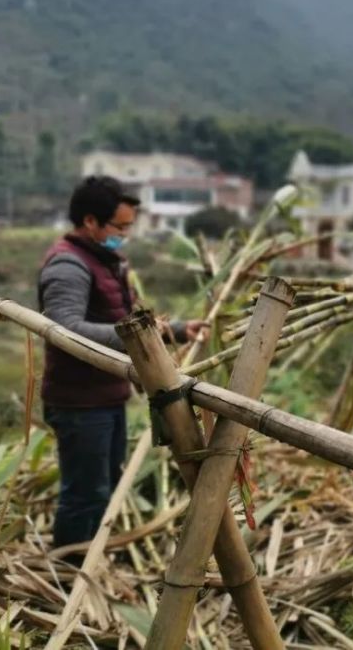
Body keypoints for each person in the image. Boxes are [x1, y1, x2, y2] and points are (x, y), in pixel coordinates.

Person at [39, 176, 206, 549]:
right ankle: (71, 569)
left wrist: (175, 330)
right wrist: (140, 334)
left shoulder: (107, 260)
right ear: (90, 222)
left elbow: (123, 317)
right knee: (85, 493)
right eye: (120, 226)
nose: (126, 234)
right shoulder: (68, 266)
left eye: (129, 226)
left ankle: (91, 557)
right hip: (79, 402)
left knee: (106, 486)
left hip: (108, 396)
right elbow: (65, 329)